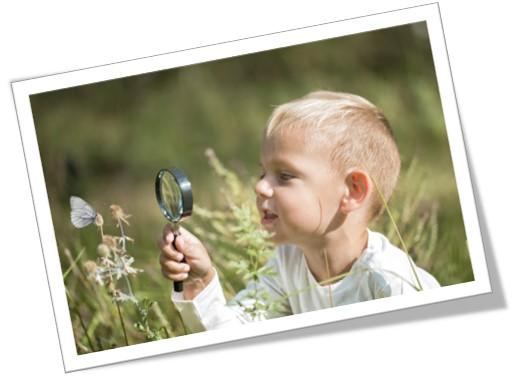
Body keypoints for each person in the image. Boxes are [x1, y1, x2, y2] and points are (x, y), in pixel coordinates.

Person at [157, 90, 440, 333]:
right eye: (262, 173)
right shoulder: (287, 264)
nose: (260, 188)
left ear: (353, 191)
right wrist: (201, 283)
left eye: (285, 175)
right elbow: (234, 338)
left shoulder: (392, 282)